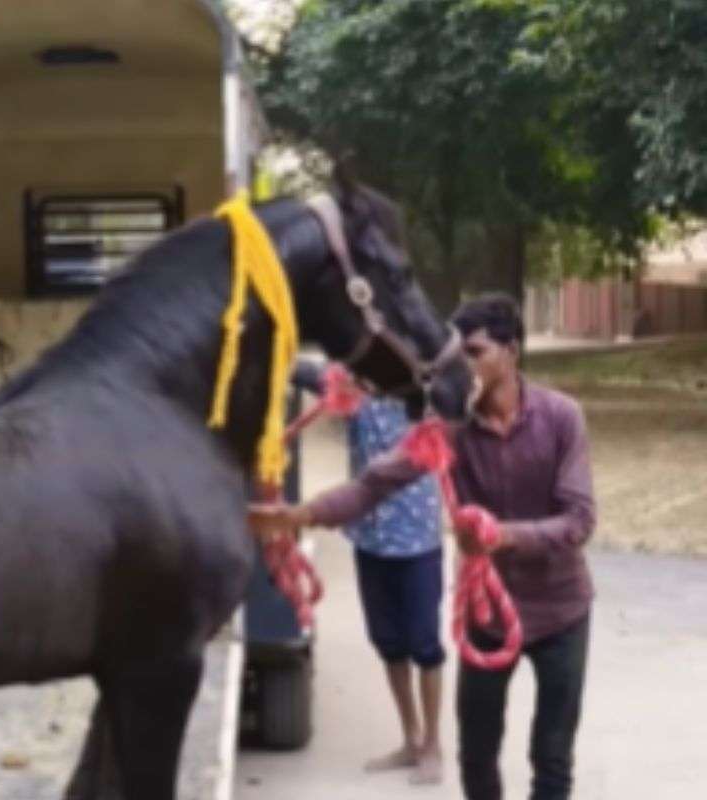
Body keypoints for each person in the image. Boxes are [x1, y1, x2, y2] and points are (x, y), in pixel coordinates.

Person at [252, 294, 595, 800]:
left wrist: (502, 535)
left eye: (475, 353)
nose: (463, 367)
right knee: (476, 755)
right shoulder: (448, 430)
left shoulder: (562, 417)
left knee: (552, 758)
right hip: (487, 616)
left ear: (511, 352)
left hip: (561, 612)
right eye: (458, 356)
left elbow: (579, 520)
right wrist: (302, 515)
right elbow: (374, 484)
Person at [292, 359, 446, 785]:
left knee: (425, 646)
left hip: (417, 541)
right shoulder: (353, 391)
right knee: (389, 644)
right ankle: (411, 739)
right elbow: (305, 373)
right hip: (371, 540)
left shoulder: (423, 392)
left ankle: (433, 745)